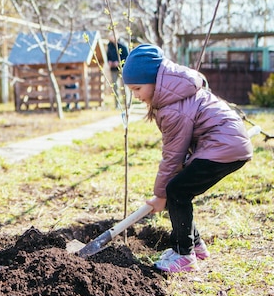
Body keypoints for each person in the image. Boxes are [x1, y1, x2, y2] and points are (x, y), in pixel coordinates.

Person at [122, 44, 253, 273]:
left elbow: (173, 156)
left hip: (223, 146)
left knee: (177, 191)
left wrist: (160, 195)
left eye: (137, 88)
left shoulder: (173, 107)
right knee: (180, 188)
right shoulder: (176, 96)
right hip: (224, 144)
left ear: (154, 81)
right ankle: (196, 245)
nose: (136, 95)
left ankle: (184, 255)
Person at [106, 35, 128, 104]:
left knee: (123, 86)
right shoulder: (109, 45)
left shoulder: (122, 44)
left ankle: (126, 103)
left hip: (122, 68)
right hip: (113, 69)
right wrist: (109, 61)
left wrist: (118, 62)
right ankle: (117, 104)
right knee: (115, 86)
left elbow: (127, 56)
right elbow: (108, 56)